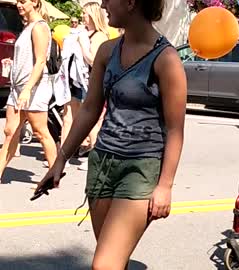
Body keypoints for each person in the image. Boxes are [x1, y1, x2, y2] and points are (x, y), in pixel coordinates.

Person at [35, 0, 187, 268]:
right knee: (114, 260)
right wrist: (60, 160)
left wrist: (165, 186)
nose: (103, 4)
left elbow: (175, 130)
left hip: (139, 169)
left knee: (104, 264)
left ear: (131, 3)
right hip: (102, 163)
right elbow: (90, 110)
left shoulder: (166, 59)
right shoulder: (107, 52)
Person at [0, 0, 57, 182]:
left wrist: (27, 90)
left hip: (34, 88)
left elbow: (40, 61)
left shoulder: (39, 27)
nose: (19, 5)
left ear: (35, 2)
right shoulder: (28, 27)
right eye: (18, 1)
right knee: (10, 132)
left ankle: (54, 175)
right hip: (18, 88)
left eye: (23, 1)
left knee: (40, 132)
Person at [58, 2, 109, 171]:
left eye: (85, 14)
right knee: (68, 116)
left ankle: (94, 155)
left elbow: (93, 60)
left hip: (92, 82)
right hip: (76, 81)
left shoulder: (99, 36)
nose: (82, 16)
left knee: (93, 121)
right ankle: (62, 155)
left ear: (94, 15)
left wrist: (81, 43)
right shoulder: (84, 33)